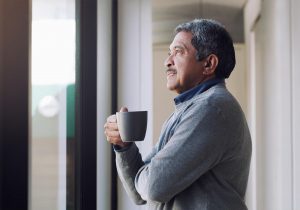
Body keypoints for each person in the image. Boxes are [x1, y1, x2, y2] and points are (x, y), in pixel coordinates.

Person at [104, 19, 252, 210]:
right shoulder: (188, 110)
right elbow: (138, 193)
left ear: (208, 63)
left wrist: (147, 176)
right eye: (169, 53)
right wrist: (124, 147)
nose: (167, 61)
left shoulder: (211, 108)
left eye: (178, 52)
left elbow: (153, 188)